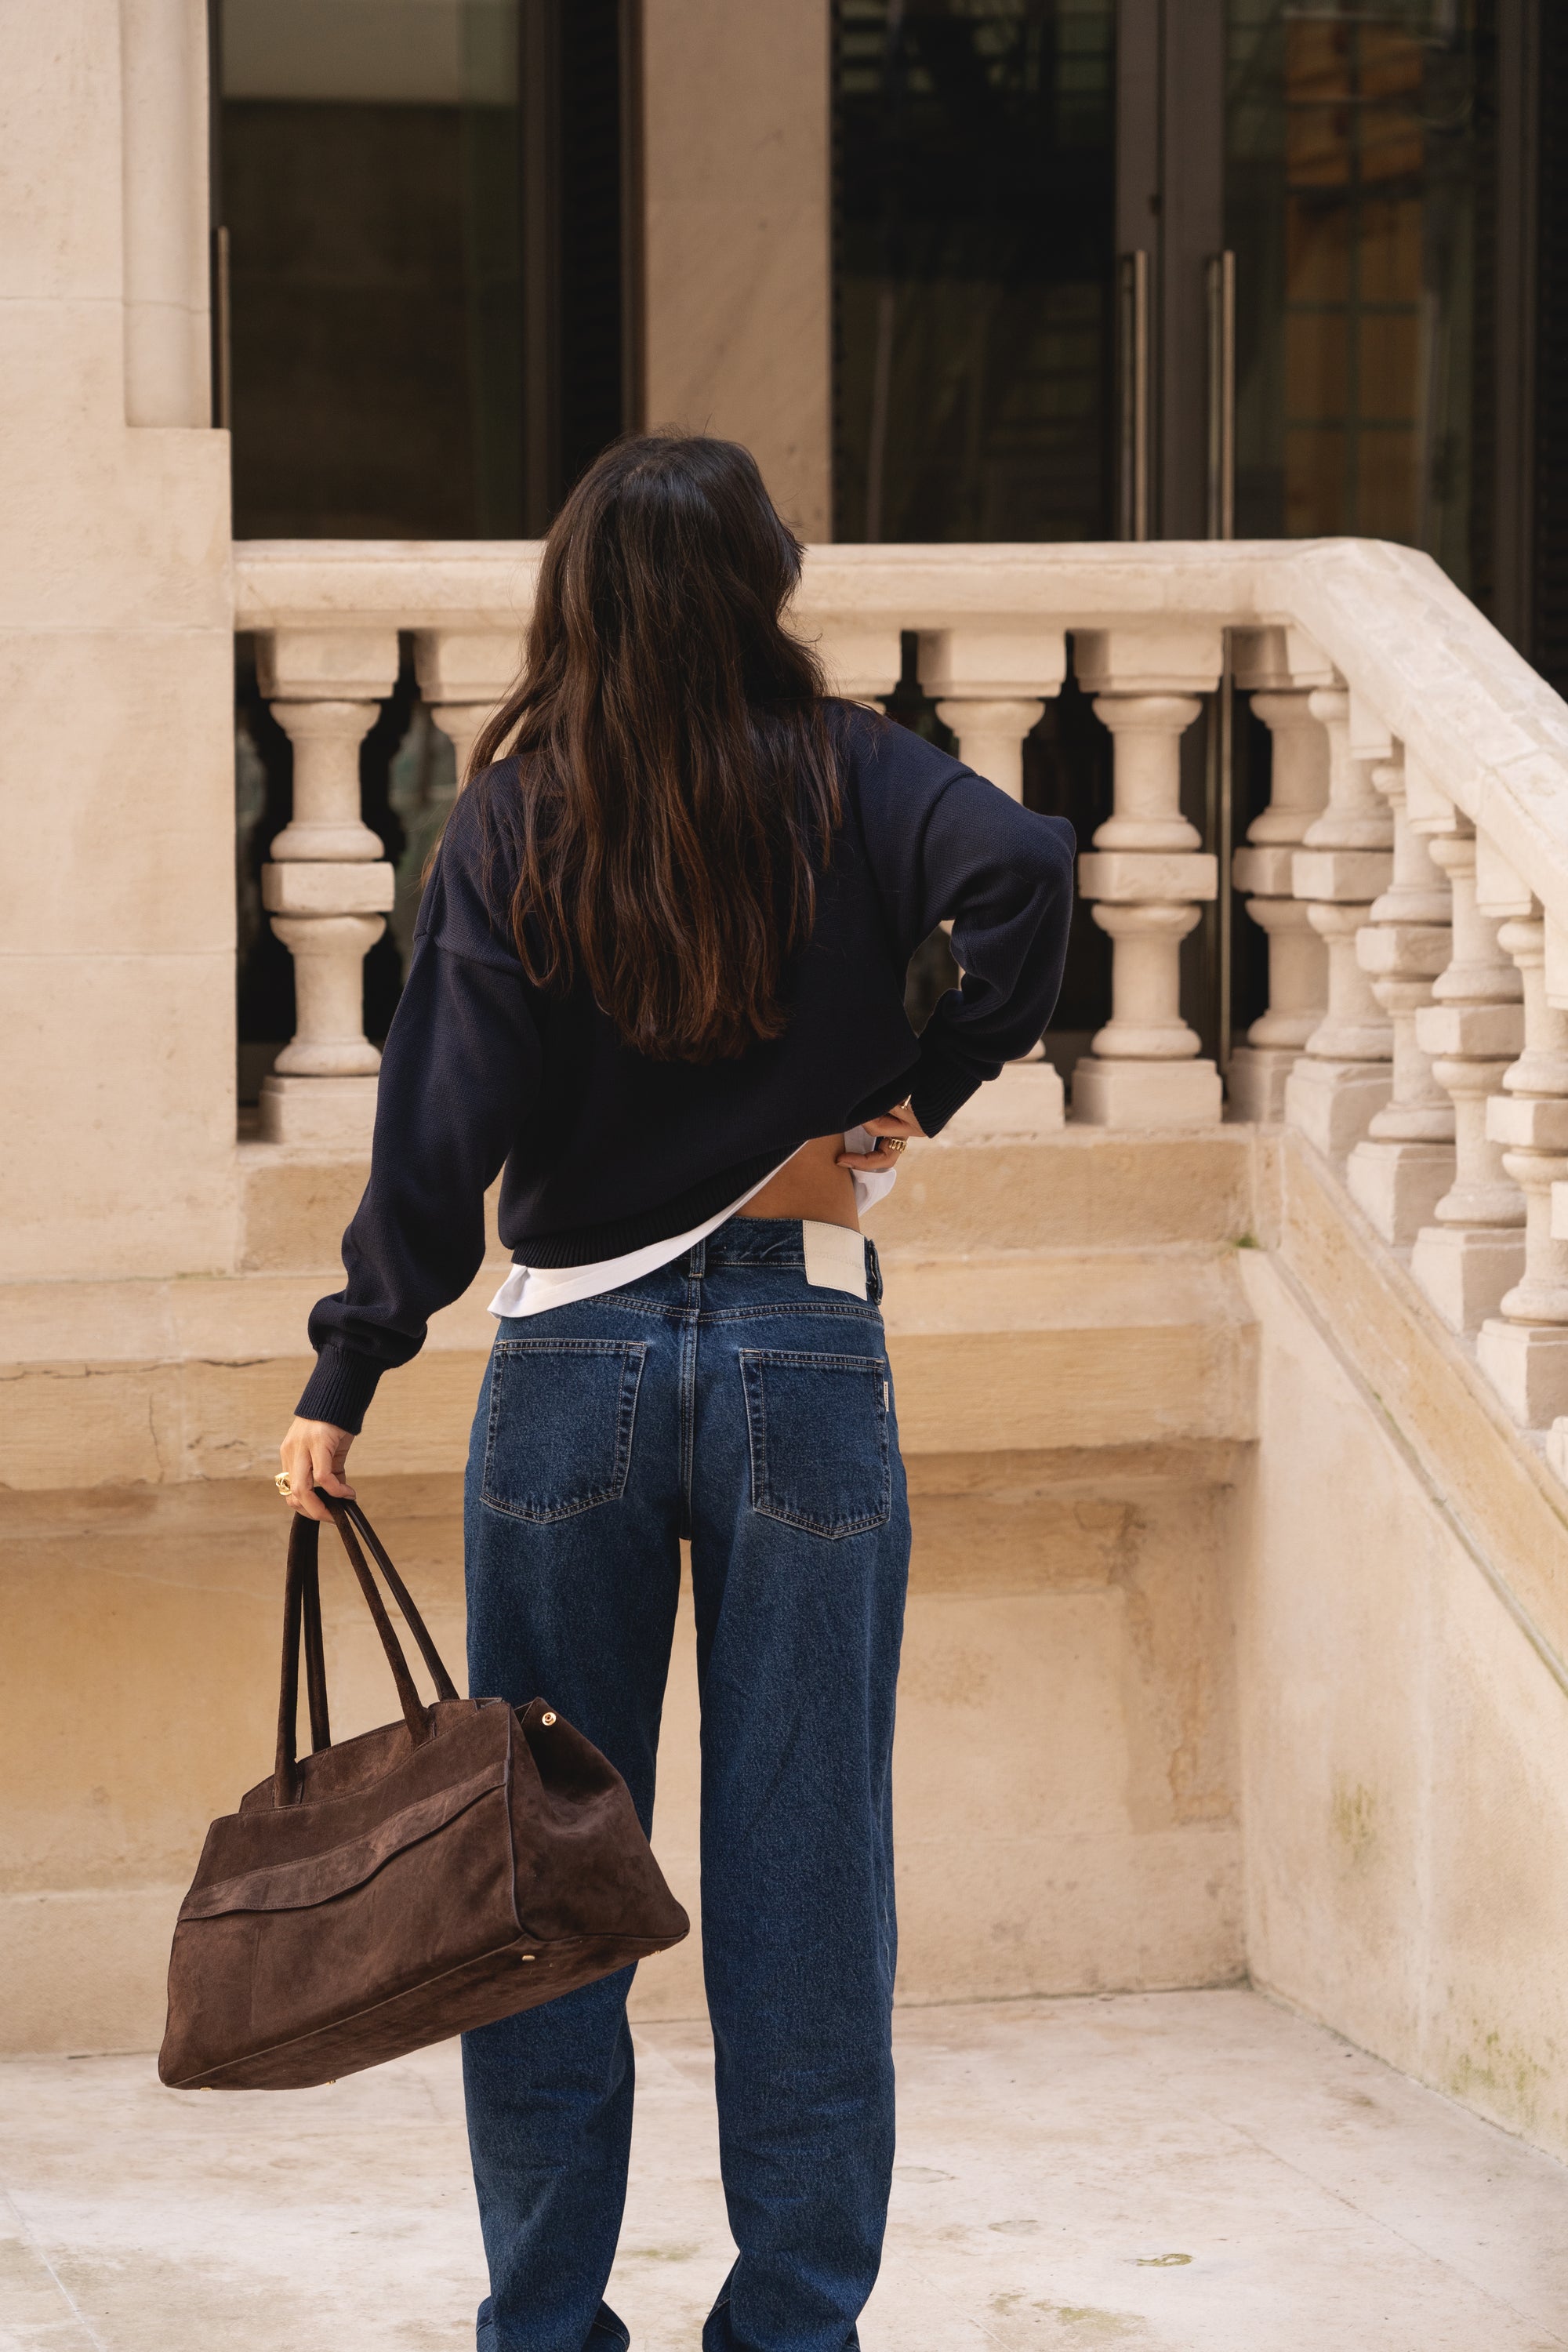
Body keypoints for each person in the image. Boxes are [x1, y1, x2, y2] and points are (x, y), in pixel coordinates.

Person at [277, 431, 1074, 2352]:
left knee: (541, 1881)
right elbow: (1031, 874)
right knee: (808, 1876)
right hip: (806, 1343)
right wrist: (918, 1098)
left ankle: (546, 2325)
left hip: (570, 1366)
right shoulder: (860, 773)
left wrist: (352, 1360)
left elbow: (439, 1124)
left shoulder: (517, 813)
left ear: (579, 595)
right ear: (761, 586)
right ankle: (791, 2327)